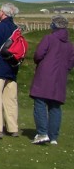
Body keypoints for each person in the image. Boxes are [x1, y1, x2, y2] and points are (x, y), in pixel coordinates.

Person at [29, 15, 74, 145]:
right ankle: (53, 136)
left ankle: (42, 133)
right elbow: (71, 62)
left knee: (40, 102)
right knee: (55, 106)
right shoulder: (70, 45)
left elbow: (38, 54)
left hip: (45, 75)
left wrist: (40, 62)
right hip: (60, 77)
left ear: (54, 25)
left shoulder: (49, 38)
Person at [0, 3, 21, 139]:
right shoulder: (16, 28)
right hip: (13, 67)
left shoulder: (0, 27)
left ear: (3, 13)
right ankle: (13, 127)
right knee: (11, 99)